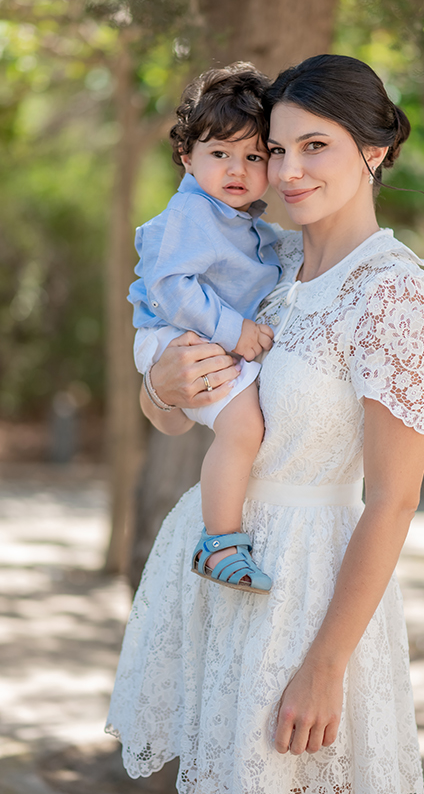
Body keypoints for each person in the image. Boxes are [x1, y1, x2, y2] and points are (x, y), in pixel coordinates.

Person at [106, 54, 424, 794]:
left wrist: (326, 666)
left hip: (306, 591)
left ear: (375, 149)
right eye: (278, 149)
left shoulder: (396, 296)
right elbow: (182, 414)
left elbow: (395, 500)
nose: (289, 170)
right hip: (214, 576)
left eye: (315, 146)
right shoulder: (265, 265)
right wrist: (161, 390)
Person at [128, 63, 281, 593]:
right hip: (172, 336)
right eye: (220, 153)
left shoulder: (243, 222)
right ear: (187, 157)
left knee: (247, 420)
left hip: (197, 334)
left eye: (254, 156)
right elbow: (169, 288)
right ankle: (219, 542)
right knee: (243, 426)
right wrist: (234, 332)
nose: (236, 168)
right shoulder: (192, 212)